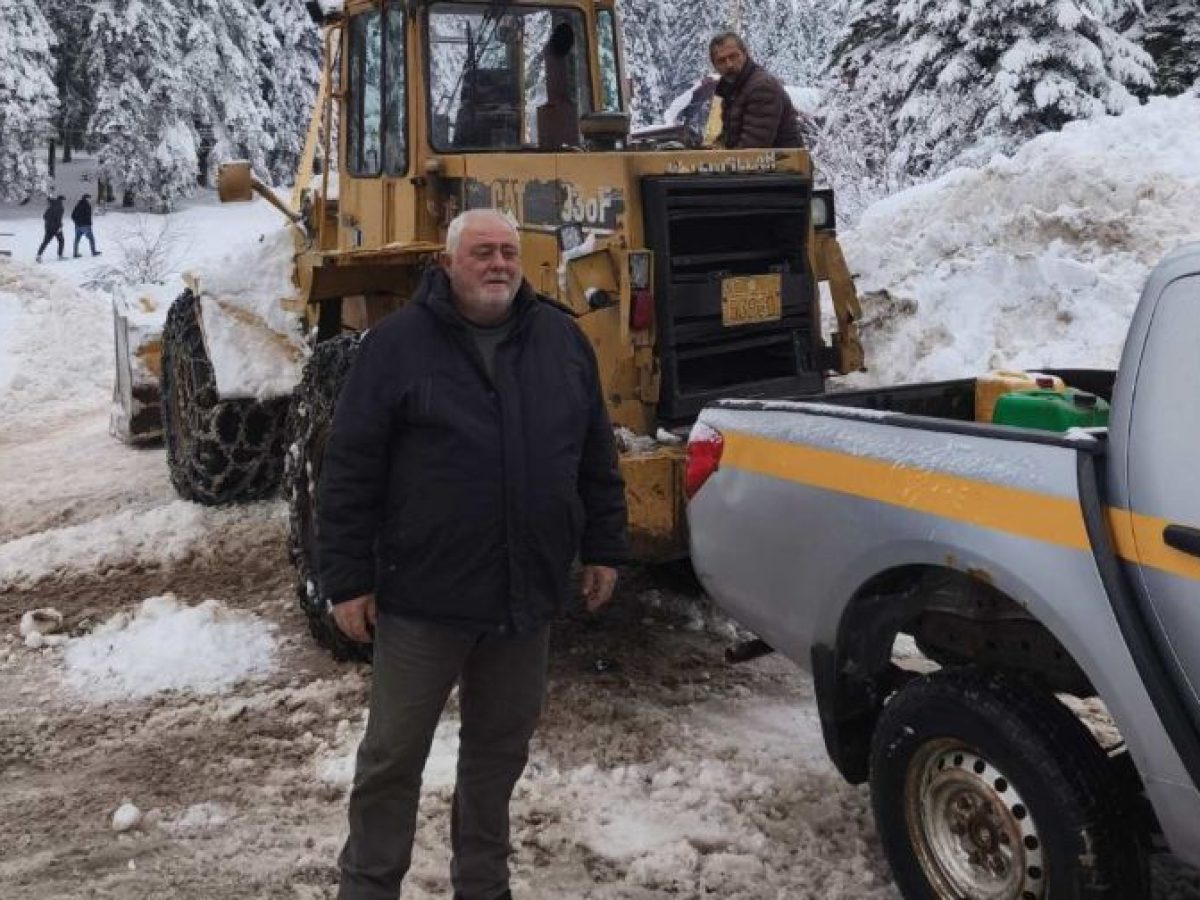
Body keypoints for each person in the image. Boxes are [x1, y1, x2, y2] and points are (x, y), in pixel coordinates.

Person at [317, 208, 629, 900]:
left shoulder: (561, 341)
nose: (498, 264)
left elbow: (594, 456)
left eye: (508, 252)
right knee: (391, 759)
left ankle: (483, 886)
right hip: (424, 600)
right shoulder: (396, 346)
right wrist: (347, 579)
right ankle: (368, 887)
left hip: (524, 601)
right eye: (482, 252)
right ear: (447, 264)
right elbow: (350, 469)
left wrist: (605, 547)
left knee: (496, 757)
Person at [709, 32, 803, 149]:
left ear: (745, 54)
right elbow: (731, 138)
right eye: (721, 61)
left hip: (783, 160)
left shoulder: (762, 87)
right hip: (757, 159)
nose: (729, 64)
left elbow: (754, 145)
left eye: (733, 56)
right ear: (715, 65)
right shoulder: (732, 89)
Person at [35, 195, 66, 263]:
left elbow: (44, 216)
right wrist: (60, 226)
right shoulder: (60, 207)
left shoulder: (50, 207)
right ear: (61, 200)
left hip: (48, 227)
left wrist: (49, 223)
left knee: (45, 242)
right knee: (61, 241)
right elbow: (58, 218)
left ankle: (38, 255)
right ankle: (60, 255)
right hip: (56, 228)